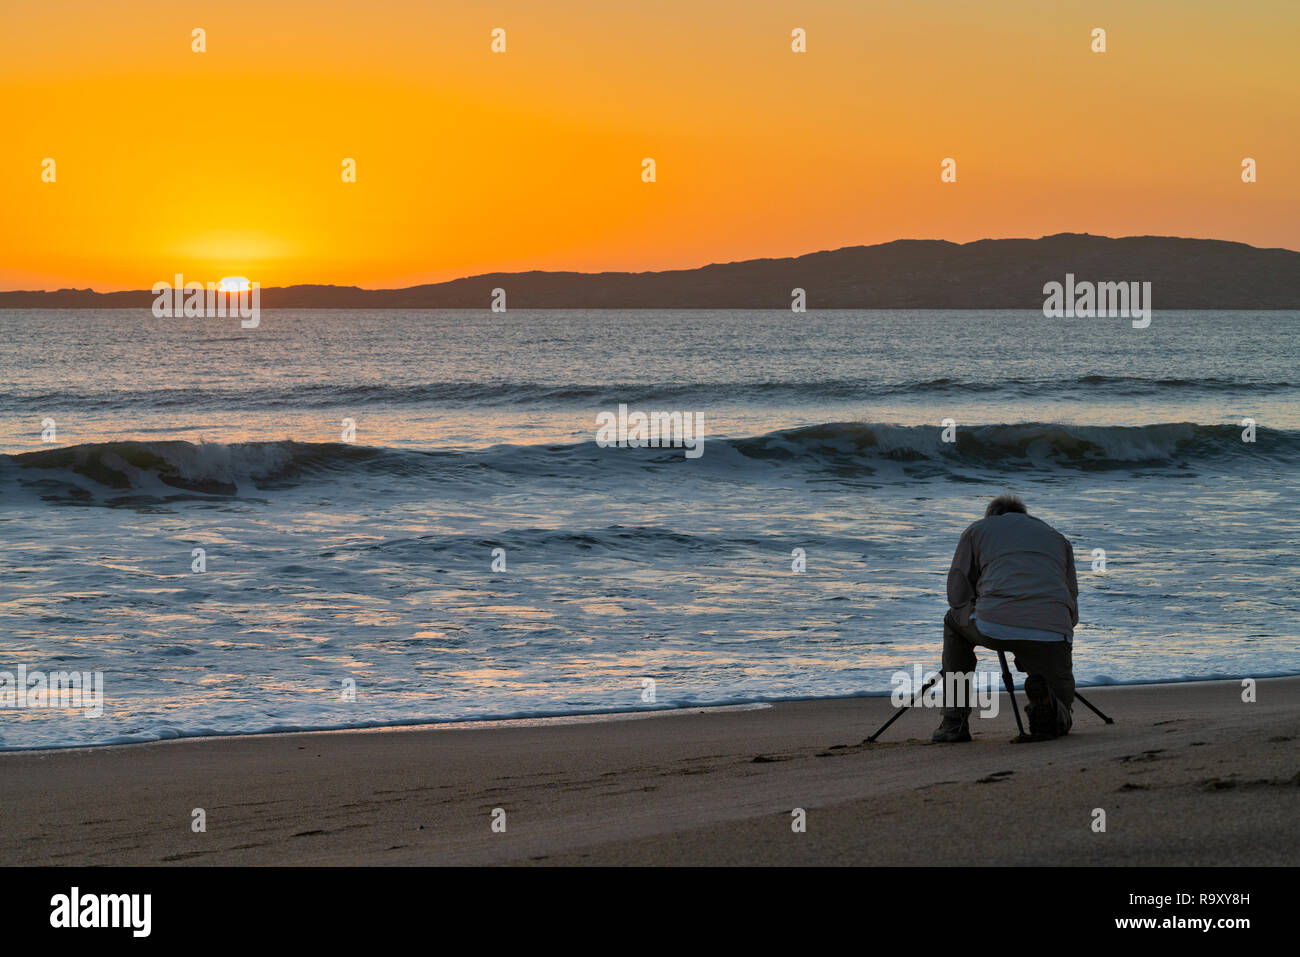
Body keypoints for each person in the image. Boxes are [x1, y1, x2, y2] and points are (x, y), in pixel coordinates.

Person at [932, 494, 1078, 743]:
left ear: (991, 516)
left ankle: (954, 722)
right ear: (1024, 514)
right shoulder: (1056, 537)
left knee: (953, 622)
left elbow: (957, 593)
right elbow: (1071, 600)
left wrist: (979, 601)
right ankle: (1051, 706)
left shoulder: (978, 529)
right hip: (1055, 630)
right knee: (1062, 705)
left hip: (995, 623)